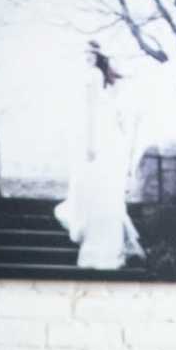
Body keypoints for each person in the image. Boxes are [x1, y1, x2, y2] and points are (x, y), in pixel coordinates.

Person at [56, 38, 146, 273]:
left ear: (98, 57)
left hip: (99, 141)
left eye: (91, 53)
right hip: (107, 140)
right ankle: (109, 244)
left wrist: (90, 144)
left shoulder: (93, 76)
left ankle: (99, 245)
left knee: (95, 190)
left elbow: (91, 113)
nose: (87, 56)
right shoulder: (103, 80)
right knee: (102, 192)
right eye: (85, 53)